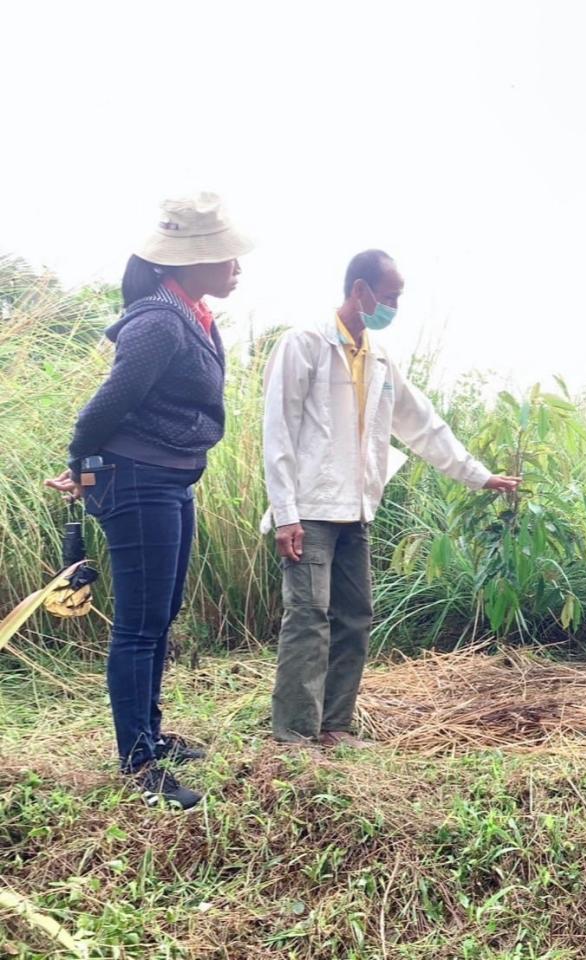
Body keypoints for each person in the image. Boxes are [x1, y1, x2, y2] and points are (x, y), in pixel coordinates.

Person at [44, 192, 252, 810]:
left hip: (168, 479)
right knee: (138, 624)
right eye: (226, 255)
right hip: (139, 481)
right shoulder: (160, 320)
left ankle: (151, 736)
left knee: (161, 614)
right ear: (188, 261)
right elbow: (108, 402)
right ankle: (138, 764)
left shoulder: (190, 312)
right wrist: (81, 462)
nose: (237, 263)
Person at [262, 250, 519, 747]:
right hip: (309, 511)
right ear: (361, 290)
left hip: (356, 510)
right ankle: (294, 737)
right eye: (390, 295)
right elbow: (278, 430)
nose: (394, 306)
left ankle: (335, 726)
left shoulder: (378, 358)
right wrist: (286, 515)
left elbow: (421, 423)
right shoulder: (306, 343)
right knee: (309, 620)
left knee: (354, 618)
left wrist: (479, 476)